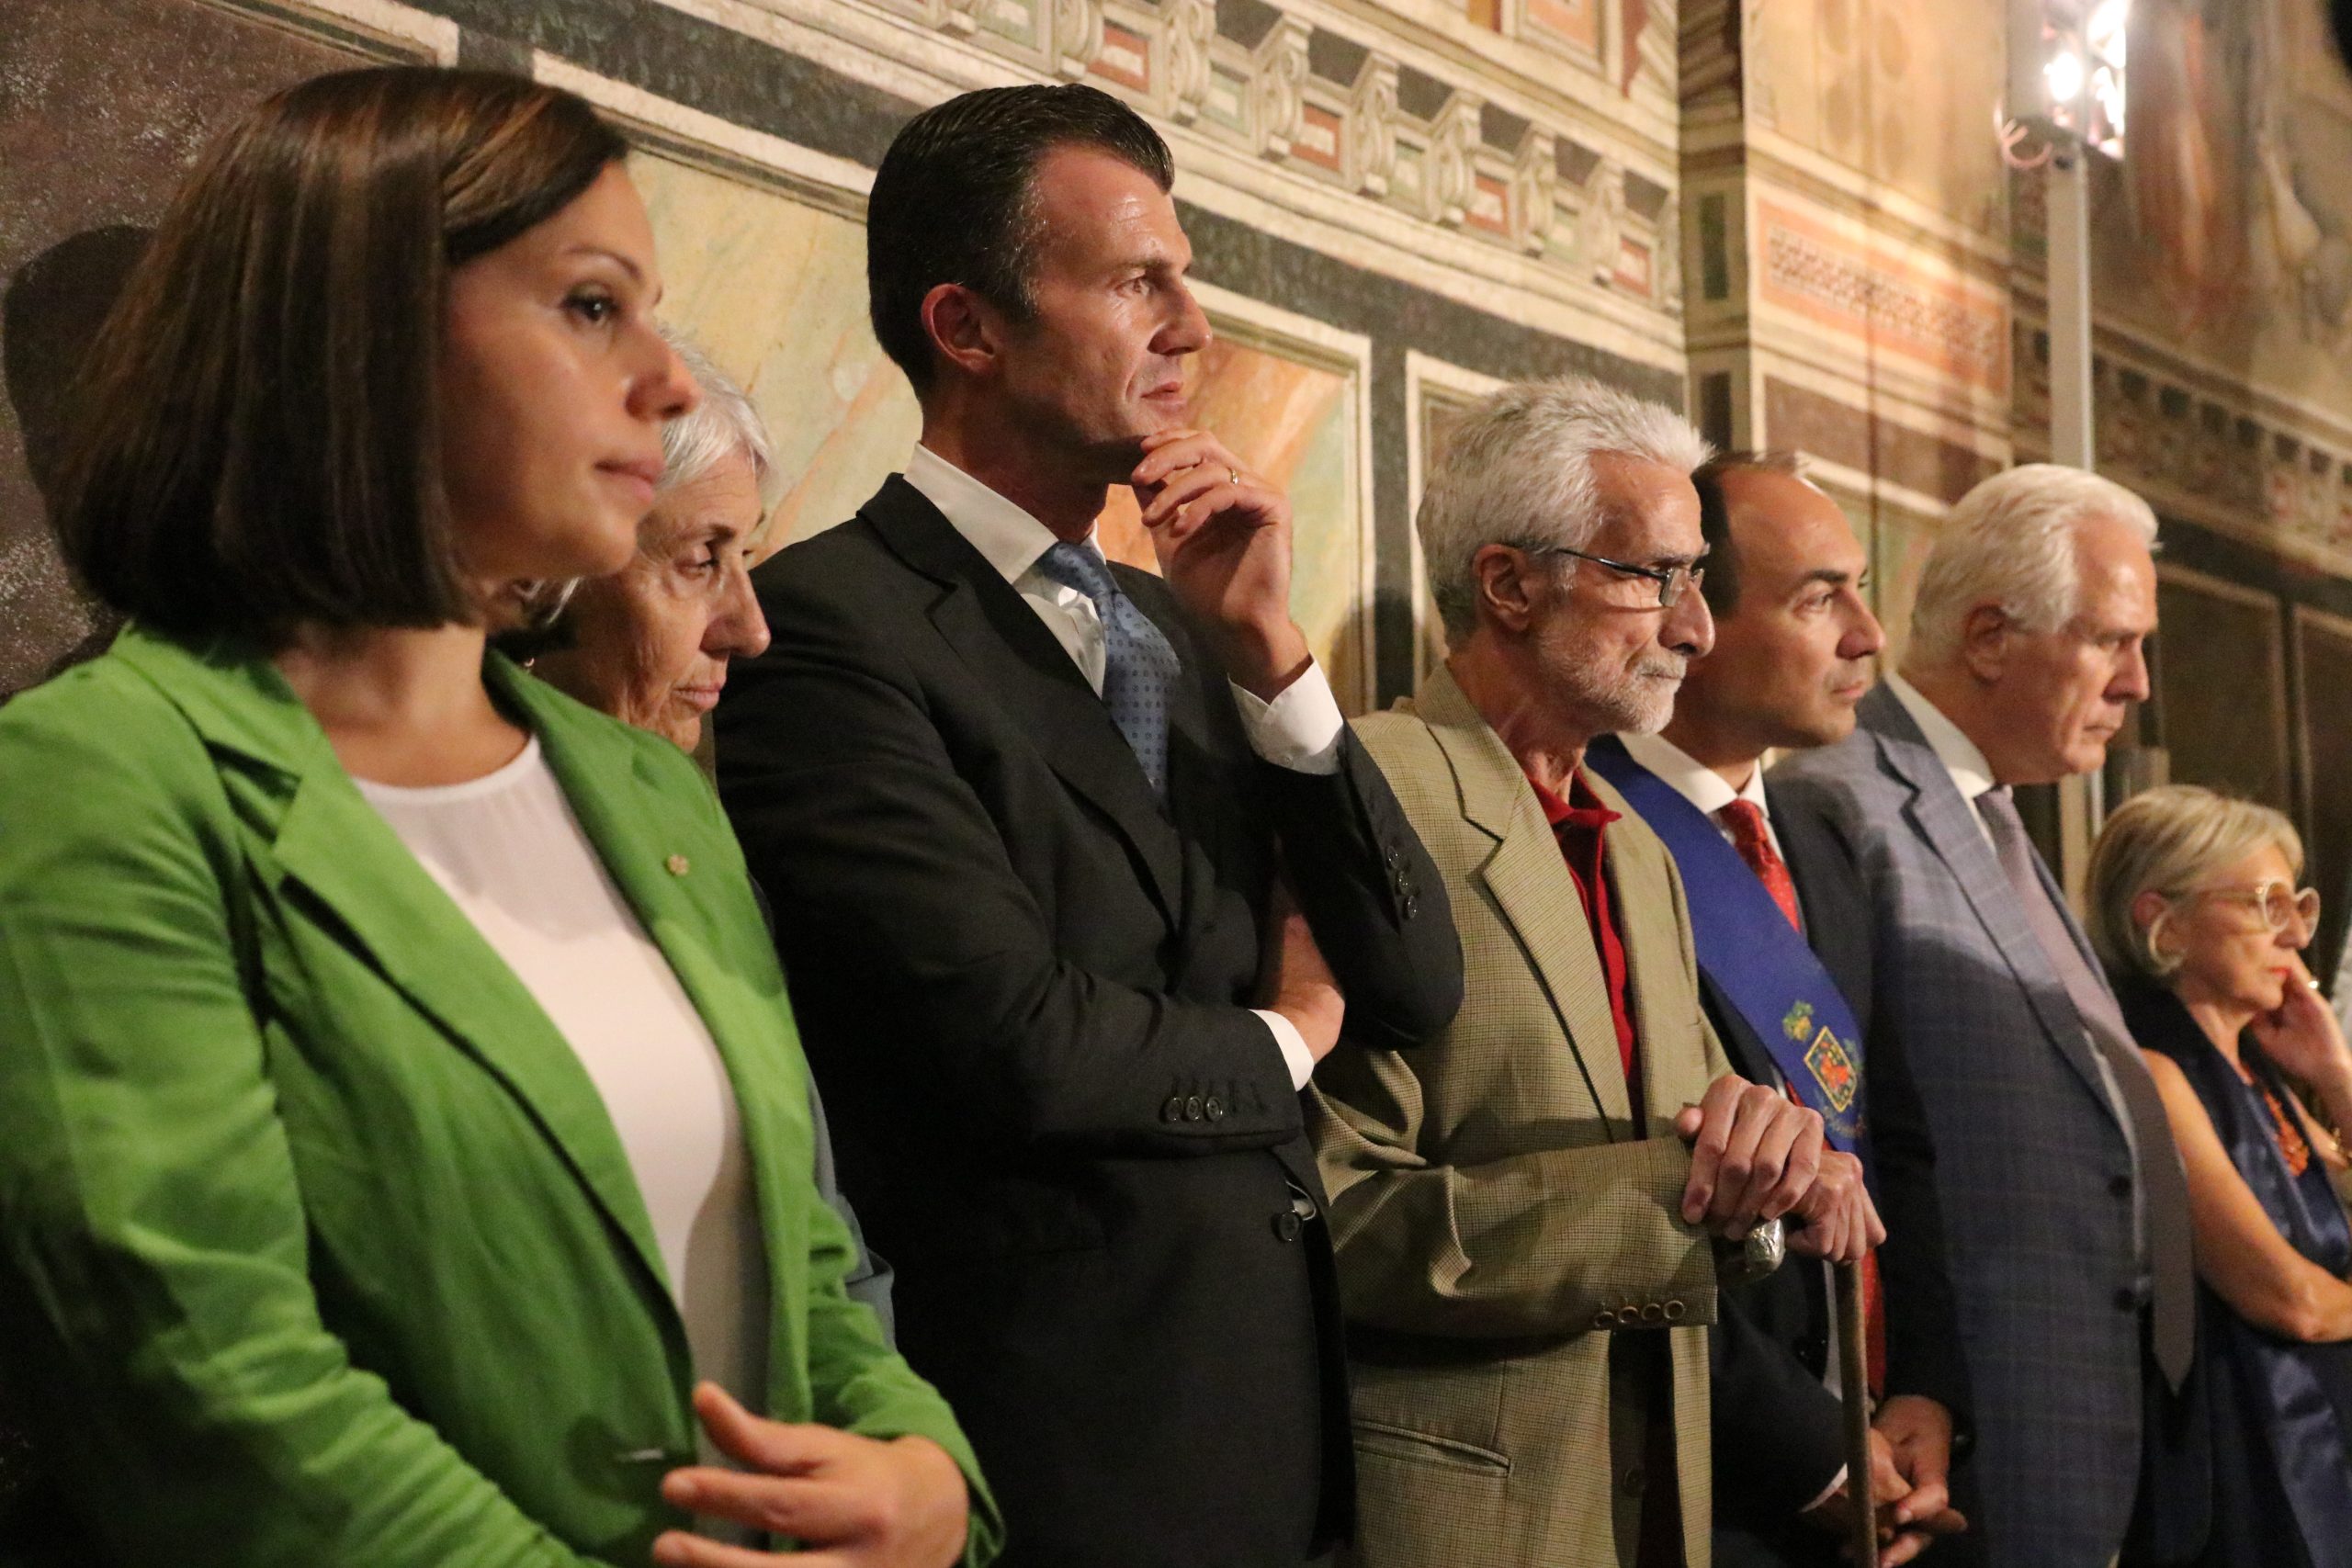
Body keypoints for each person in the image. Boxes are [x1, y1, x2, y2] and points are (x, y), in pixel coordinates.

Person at [0, 67, 995, 1568]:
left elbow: (787, 1239)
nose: (667, 383)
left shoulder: (643, 786)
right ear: (362, 342)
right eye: (592, 306)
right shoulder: (104, 773)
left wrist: (921, 1467)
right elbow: (204, 1384)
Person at [712, 84, 1464, 1567]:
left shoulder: (1181, 631)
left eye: (1186, 279)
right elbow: (1016, 1043)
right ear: (966, 325)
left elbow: (1414, 979)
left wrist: (1275, 660)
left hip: (1279, 1452)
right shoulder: (829, 626)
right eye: (1137, 283)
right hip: (1053, 1454)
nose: (1195, 328)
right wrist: (1285, 1039)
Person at [1307, 380, 1881, 1568]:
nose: (1695, 629)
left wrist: (1785, 1161)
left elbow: (1723, 1146)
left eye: (1697, 579)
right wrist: (1670, 1198)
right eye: (1653, 577)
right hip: (1466, 1517)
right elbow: (1332, 1213)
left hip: (1663, 1508)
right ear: (1509, 585)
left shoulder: (1635, 846)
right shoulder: (1377, 794)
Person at [1770, 465, 2199, 1567]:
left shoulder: (1998, 817)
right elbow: (1854, 1135)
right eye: (2111, 641)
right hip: (1965, 1437)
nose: (2136, 683)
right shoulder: (1838, 799)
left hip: (2103, 1431)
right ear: (1991, 637)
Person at [1587, 452, 1972, 1567]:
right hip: (1708, 1482)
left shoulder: (1818, 842)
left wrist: (1922, 1393)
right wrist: (1817, 1454)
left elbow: (1894, 1141)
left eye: (1861, 592)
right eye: (1818, 599)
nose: (1868, 636)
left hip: (1878, 1442)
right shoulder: (1586, 826)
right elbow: (1625, 1195)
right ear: (1693, 619)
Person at [526, 330, 895, 1340]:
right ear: (548, 565)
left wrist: (880, 1410)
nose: (750, 627)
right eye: (701, 561)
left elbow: (812, 1218)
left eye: (748, 557)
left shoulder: (689, 818)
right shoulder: (431, 826)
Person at [2090, 785, 2352, 1568]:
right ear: (2161, 920)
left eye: (2297, 905)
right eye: (2266, 903)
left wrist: (2335, 1077)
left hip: (2318, 1431)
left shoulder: (2259, 1070)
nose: (2293, 933)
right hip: (2250, 1461)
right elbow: (2291, 1299)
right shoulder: (2157, 1070)